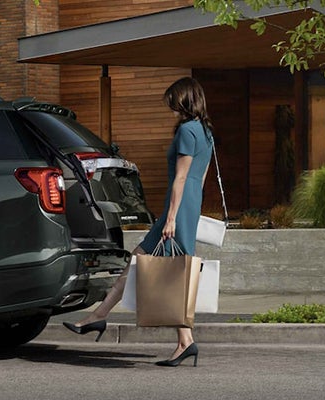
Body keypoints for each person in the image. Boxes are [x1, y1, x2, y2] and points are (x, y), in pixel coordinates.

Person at [63, 76, 214, 367]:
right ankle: (99, 316)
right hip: (189, 204)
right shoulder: (205, 132)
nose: (170, 106)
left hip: (178, 208)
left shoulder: (186, 131)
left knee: (171, 273)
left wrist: (171, 218)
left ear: (183, 99)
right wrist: (188, 210)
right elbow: (201, 176)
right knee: (141, 263)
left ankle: (185, 341)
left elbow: (180, 177)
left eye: (172, 100)